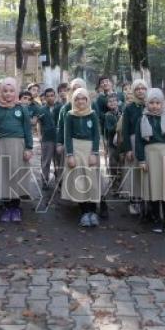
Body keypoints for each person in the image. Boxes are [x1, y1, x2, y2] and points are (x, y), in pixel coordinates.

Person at [0, 77, 35, 223]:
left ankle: (16, 207)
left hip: (18, 146)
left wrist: (28, 147)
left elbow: (27, 129)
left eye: (11, 91)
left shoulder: (22, 109)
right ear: (0, 92)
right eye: (5, 91)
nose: (8, 94)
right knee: (4, 176)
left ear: (16, 92)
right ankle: (7, 208)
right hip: (1, 146)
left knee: (16, 175)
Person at [136, 88, 165, 233]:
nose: (155, 106)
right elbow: (139, 142)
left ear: (162, 103)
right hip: (151, 156)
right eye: (151, 103)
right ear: (147, 104)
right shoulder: (142, 120)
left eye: (157, 103)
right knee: (154, 188)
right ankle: (157, 218)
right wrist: (141, 160)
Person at [62, 87, 102, 227]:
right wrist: (70, 155)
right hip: (76, 148)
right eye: (77, 99)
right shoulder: (69, 115)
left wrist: (94, 153)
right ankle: (84, 212)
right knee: (80, 181)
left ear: (87, 100)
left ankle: (93, 212)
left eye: (83, 98)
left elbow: (97, 135)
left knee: (91, 180)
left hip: (89, 149)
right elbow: (67, 136)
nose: (80, 102)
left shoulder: (92, 114)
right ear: (73, 100)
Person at [120, 79, 148, 216]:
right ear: (134, 91)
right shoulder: (129, 108)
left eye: (143, 88)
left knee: (145, 172)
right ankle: (133, 201)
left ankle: (145, 200)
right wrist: (128, 149)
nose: (141, 91)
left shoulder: (151, 105)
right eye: (137, 89)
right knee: (133, 172)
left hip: (148, 144)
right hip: (133, 142)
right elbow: (125, 130)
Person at [102, 93, 123, 206]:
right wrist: (118, 124)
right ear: (107, 104)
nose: (113, 103)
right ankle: (115, 187)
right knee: (113, 165)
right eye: (110, 102)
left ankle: (122, 186)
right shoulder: (108, 116)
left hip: (122, 144)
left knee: (122, 165)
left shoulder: (122, 113)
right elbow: (109, 130)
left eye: (115, 101)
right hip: (112, 144)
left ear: (118, 102)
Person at [38, 87, 58, 190]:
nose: (50, 98)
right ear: (45, 98)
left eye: (52, 95)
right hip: (47, 139)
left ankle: (59, 181)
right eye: (48, 96)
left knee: (58, 162)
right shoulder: (41, 110)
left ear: (55, 96)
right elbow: (39, 123)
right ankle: (45, 181)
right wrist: (40, 135)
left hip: (58, 139)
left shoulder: (60, 108)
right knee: (45, 162)